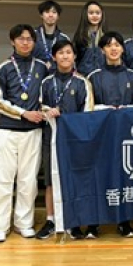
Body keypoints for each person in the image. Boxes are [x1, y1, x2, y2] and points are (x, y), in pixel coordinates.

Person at [0, 24, 49, 243]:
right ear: (12, 41)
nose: (25, 42)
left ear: (34, 42)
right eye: (21, 39)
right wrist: (23, 113)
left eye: (29, 39)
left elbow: (47, 95)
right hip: (7, 130)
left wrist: (41, 112)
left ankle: (24, 223)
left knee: (28, 181)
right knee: (2, 180)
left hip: (33, 132)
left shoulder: (42, 67)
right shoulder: (4, 68)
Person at [87, 31, 133, 237]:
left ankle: (124, 222)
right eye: (109, 45)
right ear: (102, 50)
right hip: (101, 136)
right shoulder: (93, 77)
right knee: (98, 176)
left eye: (117, 45)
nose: (113, 48)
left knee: (125, 178)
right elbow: (87, 106)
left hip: (126, 136)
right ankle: (94, 222)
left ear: (123, 48)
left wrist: (127, 110)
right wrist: (105, 109)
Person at [37, 39, 94, 241]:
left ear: (74, 56)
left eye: (68, 52)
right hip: (51, 137)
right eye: (60, 53)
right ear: (54, 57)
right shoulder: (46, 82)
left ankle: (74, 220)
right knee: (50, 180)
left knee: (74, 178)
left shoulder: (83, 82)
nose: (65, 56)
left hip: (74, 139)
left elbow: (88, 112)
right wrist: (48, 111)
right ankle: (51, 220)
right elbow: (39, 106)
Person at [33, 0, 70, 71]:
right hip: (35, 74)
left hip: (56, 74)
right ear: (41, 15)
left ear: (58, 16)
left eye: (54, 12)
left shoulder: (64, 38)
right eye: (47, 12)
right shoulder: (32, 35)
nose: (50, 15)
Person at [73, 0, 106, 76]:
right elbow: (74, 59)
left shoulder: (106, 37)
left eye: (97, 13)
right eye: (91, 13)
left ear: (102, 15)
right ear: (85, 15)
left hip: (102, 77)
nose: (94, 16)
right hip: (83, 76)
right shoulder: (79, 37)